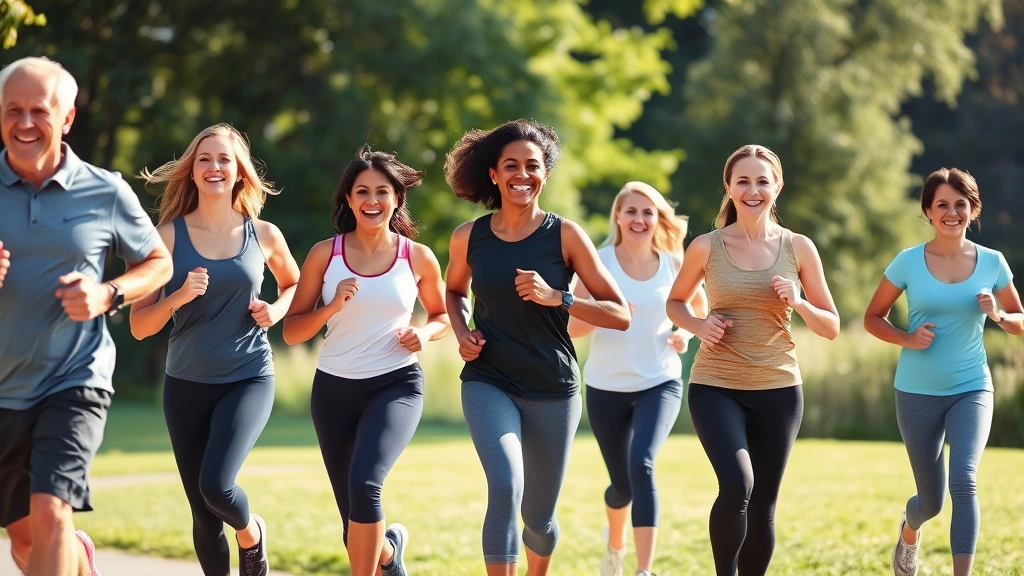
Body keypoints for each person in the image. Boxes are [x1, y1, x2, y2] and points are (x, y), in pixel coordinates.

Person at [0, 57, 172, 576]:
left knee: (52, 512)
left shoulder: (105, 190)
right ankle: (80, 560)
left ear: (67, 118)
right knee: (27, 542)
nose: (25, 123)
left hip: (74, 379)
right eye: (13, 110)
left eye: (39, 111)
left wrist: (108, 294)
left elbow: (159, 263)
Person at [443, 118, 631, 576]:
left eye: (532, 166)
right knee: (505, 485)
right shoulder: (469, 237)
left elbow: (620, 313)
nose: (521, 175)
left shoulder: (564, 235)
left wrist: (559, 297)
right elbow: (453, 292)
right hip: (489, 379)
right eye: (511, 166)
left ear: (545, 173)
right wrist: (462, 332)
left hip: (553, 386)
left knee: (538, 520)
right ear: (494, 174)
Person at [129, 124, 300, 576]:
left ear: (240, 172)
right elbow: (140, 326)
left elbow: (294, 284)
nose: (214, 167)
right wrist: (177, 297)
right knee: (203, 517)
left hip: (247, 378)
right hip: (184, 385)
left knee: (217, 487)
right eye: (204, 159)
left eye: (224, 159)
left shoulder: (263, 234)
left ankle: (251, 533)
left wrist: (276, 310)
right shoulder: (165, 238)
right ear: (191, 170)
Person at [666, 144, 839, 576]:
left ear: (777, 187)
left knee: (763, 501)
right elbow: (675, 303)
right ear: (728, 187)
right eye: (743, 181)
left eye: (763, 181)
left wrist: (798, 303)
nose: (753, 189)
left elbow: (831, 325)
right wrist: (698, 325)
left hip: (779, 388)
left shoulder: (798, 247)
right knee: (738, 485)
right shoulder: (706, 247)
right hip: (716, 384)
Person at [282, 145, 449, 576]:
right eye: (362, 192)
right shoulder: (325, 254)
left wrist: (425, 333)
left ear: (396, 199)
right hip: (334, 390)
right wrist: (330, 307)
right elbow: (292, 330)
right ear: (348, 200)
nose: (372, 201)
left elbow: (444, 314)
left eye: (381, 192)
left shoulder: (417, 256)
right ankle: (390, 555)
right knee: (351, 518)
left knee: (365, 485)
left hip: (395, 385)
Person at [863, 168, 1022, 576]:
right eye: (942, 205)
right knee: (930, 501)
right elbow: (872, 318)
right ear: (928, 212)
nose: (952, 213)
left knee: (964, 480)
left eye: (960, 205)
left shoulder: (993, 262)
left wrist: (999, 314)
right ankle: (909, 530)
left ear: (973, 209)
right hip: (916, 391)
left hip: (972, 387)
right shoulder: (908, 261)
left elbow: (1019, 319)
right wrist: (907, 338)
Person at [567, 181, 708, 576]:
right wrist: (601, 310)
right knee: (622, 486)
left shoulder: (673, 263)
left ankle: (644, 571)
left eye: (648, 212)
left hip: (659, 381)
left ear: (658, 217)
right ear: (618, 216)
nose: (639, 219)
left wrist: (686, 332)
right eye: (631, 211)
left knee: (642, 465)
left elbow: (697, 308)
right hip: (605, 387)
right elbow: (573, 327)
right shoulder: (599, 262)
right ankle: (615, 548)